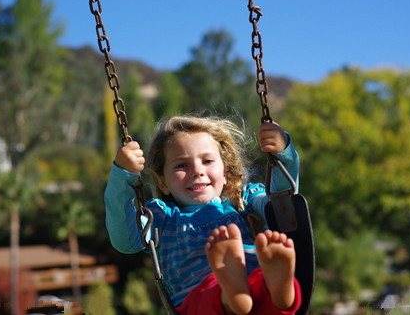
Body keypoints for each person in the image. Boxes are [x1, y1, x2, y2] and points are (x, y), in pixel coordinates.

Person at [104, 115, 302, 315]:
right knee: (212, 292)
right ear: (162, 182)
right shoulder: (161, 217)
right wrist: (122, 175)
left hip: (253, 293)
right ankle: (234, 290)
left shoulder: (244, 202)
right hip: (197, 300)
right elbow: (126, 239)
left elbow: (282, 208)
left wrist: (283, 155)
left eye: (207, 160)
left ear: (225, 172)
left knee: (263, 280)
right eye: (181, 165)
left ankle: (279, 288)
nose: (197, 171)